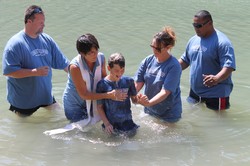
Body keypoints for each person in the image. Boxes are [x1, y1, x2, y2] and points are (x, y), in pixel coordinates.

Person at [2, 5, 69, 116]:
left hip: (45, 97)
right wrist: (35, 72)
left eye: (44, 22)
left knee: (62, 116)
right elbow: (9, 72)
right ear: (29, 21)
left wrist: (79, 76)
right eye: (40, 22)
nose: (44, 25)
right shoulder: (15, 44)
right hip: (23, 102)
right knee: (23, 129)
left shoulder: (47, 40)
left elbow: (64, 63)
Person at [63, 34, 127, 124]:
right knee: (80, 132)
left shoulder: (101, 57)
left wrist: (117, 87)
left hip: (92, 99)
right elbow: (84, 95)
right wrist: (109, 95)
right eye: (90, 53)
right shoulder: (75, 67)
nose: (95, 55)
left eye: (96, 50)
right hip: (75, 105)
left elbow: (104, 80)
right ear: (82, 53)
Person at [179, 10, 236, 110]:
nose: (196, 28)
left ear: (210, 23)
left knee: (218, 122)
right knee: (193, 119)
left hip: (216, 93)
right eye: (194, 25)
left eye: (199, 26)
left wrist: (216, 78)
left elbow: (229, 67)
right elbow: (185, 60)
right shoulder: (193, 40)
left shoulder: (222, 42)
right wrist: (169, 68)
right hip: (195, 92)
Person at [134, 26, 182, 123]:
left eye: (158, 48)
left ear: (168, 48)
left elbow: (165, 92)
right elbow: (139, 83)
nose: (154, 50)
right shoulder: (148, 60)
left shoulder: (174, 66)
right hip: (149, 110)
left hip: (169, 115)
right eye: (153, 47)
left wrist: (148, 103)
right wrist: (132, 95)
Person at [96, 53, 139, 136]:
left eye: (122, 70)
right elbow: (99, 107)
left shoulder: (129, 81)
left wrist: (139, 100)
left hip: (128, 124)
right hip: (112, 126)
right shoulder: (102, 85)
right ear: (109, 68)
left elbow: (134, 100)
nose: (120, 73)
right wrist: (107, 124)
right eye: (116, 70)